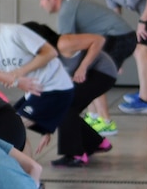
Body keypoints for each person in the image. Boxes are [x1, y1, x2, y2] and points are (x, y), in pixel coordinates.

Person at [0, 0, 75, 154]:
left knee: (10, 126)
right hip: (35, 93)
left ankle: (28, 176)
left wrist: (18, 73)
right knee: (9, 125)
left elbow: (50, 52)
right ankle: (30, 176)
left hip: (54, 88)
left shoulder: (14, 32)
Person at [37, 0, 137, 135]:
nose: (41, 4)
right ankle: (93, 116)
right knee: (87, 71)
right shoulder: (70, 4)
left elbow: (66, 47)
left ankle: (106, 122)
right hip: (119, 37)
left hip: (119, 38)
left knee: (95, 74)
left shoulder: (66, 10)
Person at [21, 21, 116, 167]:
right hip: (90, 74)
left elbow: (99, 40)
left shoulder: (63, 43)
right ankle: (97, 143)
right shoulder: (46, 55)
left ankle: (76, 154)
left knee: (66, 105)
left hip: (102, 71)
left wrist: (83, 67)